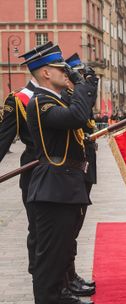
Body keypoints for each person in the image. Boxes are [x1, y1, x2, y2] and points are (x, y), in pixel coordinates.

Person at [23, 43, 97, 304]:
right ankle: (50, 299)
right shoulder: (41, 103)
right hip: (53, 188)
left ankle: (60, 296)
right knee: (50, 259)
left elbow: (83, 112)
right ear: (45, 73)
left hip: (65, 187)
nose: (67, 73)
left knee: (62, 251)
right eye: (61, 69)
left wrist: (88, 86)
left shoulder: (55, 99)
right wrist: (80, 84)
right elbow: (77, 115)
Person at [0, 41, 53, 280]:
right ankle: (40, 279)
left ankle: (64, 278)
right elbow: (3, 140)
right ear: (44, 70)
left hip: (63, 175)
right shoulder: (18, 99)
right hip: (34, 174)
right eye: (58, 67)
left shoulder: (61, 95)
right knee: (39, 231)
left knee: (63, 233)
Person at [62, 53, 98, 297]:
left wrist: (89, 86)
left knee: (74, 228)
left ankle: (70, 276)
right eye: (79, 76)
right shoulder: (67, 99)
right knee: (68, 230)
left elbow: (88, 110)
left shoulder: (76, 97)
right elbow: (80, 117)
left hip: (84, 168)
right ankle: (66, 279)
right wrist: (83, 88)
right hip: (73, 170)